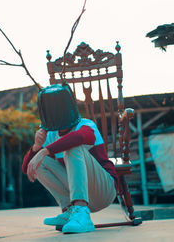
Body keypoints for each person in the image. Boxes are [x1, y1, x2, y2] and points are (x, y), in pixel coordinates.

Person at [22, 83, 118, 234]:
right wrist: (35, 148)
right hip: (78, 190)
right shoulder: (50, 134)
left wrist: (44, 150)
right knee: (40, 163)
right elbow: (27, 168)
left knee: (72, 147)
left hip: (103, 191)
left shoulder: (86, 125)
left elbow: (78, 137)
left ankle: (82, 214)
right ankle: (69, 211)